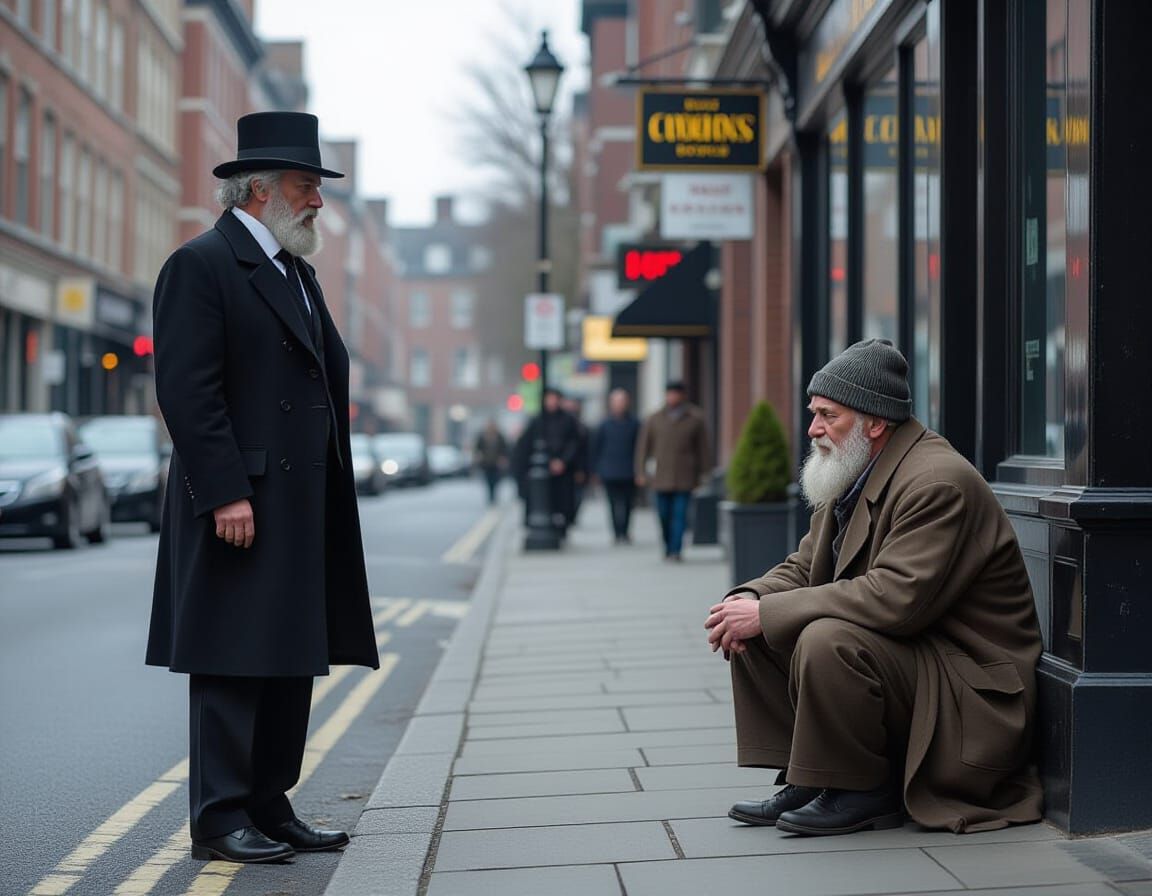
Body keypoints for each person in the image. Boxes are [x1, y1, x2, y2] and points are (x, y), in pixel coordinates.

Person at [146, 112, 379, 864]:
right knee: (232, 660)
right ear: (259, 192)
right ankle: (219, 819)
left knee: (287, 658)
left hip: (298, 504)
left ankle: (270, 804)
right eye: (307, 185)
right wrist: (223, 492)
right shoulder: (202, 265)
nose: (317, 201)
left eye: (314, 187)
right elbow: (188, 391)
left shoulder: (296, 272)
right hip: (239, 503)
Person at [705, 339, 1043, 837]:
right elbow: (803, 567)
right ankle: (813, 774)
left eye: (828, 415)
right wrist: (751, 598)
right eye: (814, 413)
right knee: (761, 619)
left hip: (970, 686)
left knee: (825, 639)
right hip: (917, 657)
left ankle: (862, 790)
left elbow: (896, 599)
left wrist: (770, 612)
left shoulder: (936, 481)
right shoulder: (851, 471)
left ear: (875, 422)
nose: (813, 429)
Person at [635, 381, 711, 560]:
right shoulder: (654, 418)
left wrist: (705, 474)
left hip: (685, 476)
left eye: (676, 394)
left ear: (682, 395)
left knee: (680, 516)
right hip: (660, 476)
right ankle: (667, 545)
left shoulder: (695, 418)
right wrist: (640, 472)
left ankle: (676, 551)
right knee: (663, 515)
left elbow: (703, 449)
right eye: (669, 394)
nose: (672, 397)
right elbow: (643, 448)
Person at [512, 388, 581, 534]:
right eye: (549, 399)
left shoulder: (568, 420)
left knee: (563, 505)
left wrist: (563, 461)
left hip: (564, 471)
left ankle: (561, 530)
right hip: (542, 471)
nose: (552, 402)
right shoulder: (537, 421)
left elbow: (574, 444)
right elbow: (526, 447)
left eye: (555, 398)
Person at [591, 388, 640, 544]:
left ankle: (625, 531)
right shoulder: (604, 425)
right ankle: (616, 532)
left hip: (629, 471)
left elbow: (639, 448)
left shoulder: (635, 424)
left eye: (622, 401)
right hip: (609, 471)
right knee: (612, 503)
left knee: (628, 503)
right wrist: (596, 471)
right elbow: (596, 448)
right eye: (616, 402)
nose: (619, 405)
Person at [562, 396, 591, 526]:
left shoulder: (581, 427)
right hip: (565, 467)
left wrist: (582, 469)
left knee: (578, 495)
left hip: (578, 466)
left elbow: (584, 450)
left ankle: (571, 516)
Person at [473, 419, 509, 505]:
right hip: (486, 463)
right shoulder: (482, 436)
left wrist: (503, 458)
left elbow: (504, 448)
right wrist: (478, 456)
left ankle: (494, 496)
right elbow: (477, 448)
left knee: (495, 480)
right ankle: (491, 496)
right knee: (488, 480)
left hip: (496, 463)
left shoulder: (500, 436)